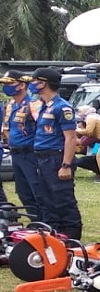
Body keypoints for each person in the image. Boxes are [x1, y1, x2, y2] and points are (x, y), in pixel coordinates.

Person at [27, 67, 83, 239]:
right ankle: (53, 237)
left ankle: (72, 238)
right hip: (42, 159)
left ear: (43, 83)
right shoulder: (44, 107)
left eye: (35, 81)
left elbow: (71, 138)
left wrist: (65, 165)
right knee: (46, 200)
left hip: (56, 158)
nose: (32, 84)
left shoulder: (62, 107)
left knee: (63, 200)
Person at [1, 70, 43, 217]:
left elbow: (42, 128)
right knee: (23, 191)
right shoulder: (11, 105)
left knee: (36, 190)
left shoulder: (34, 105)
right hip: (16, 154)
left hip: (30, 153)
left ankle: (45, 222)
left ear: (22, 85)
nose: (6, 87)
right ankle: (34, 219)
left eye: (10, 83)